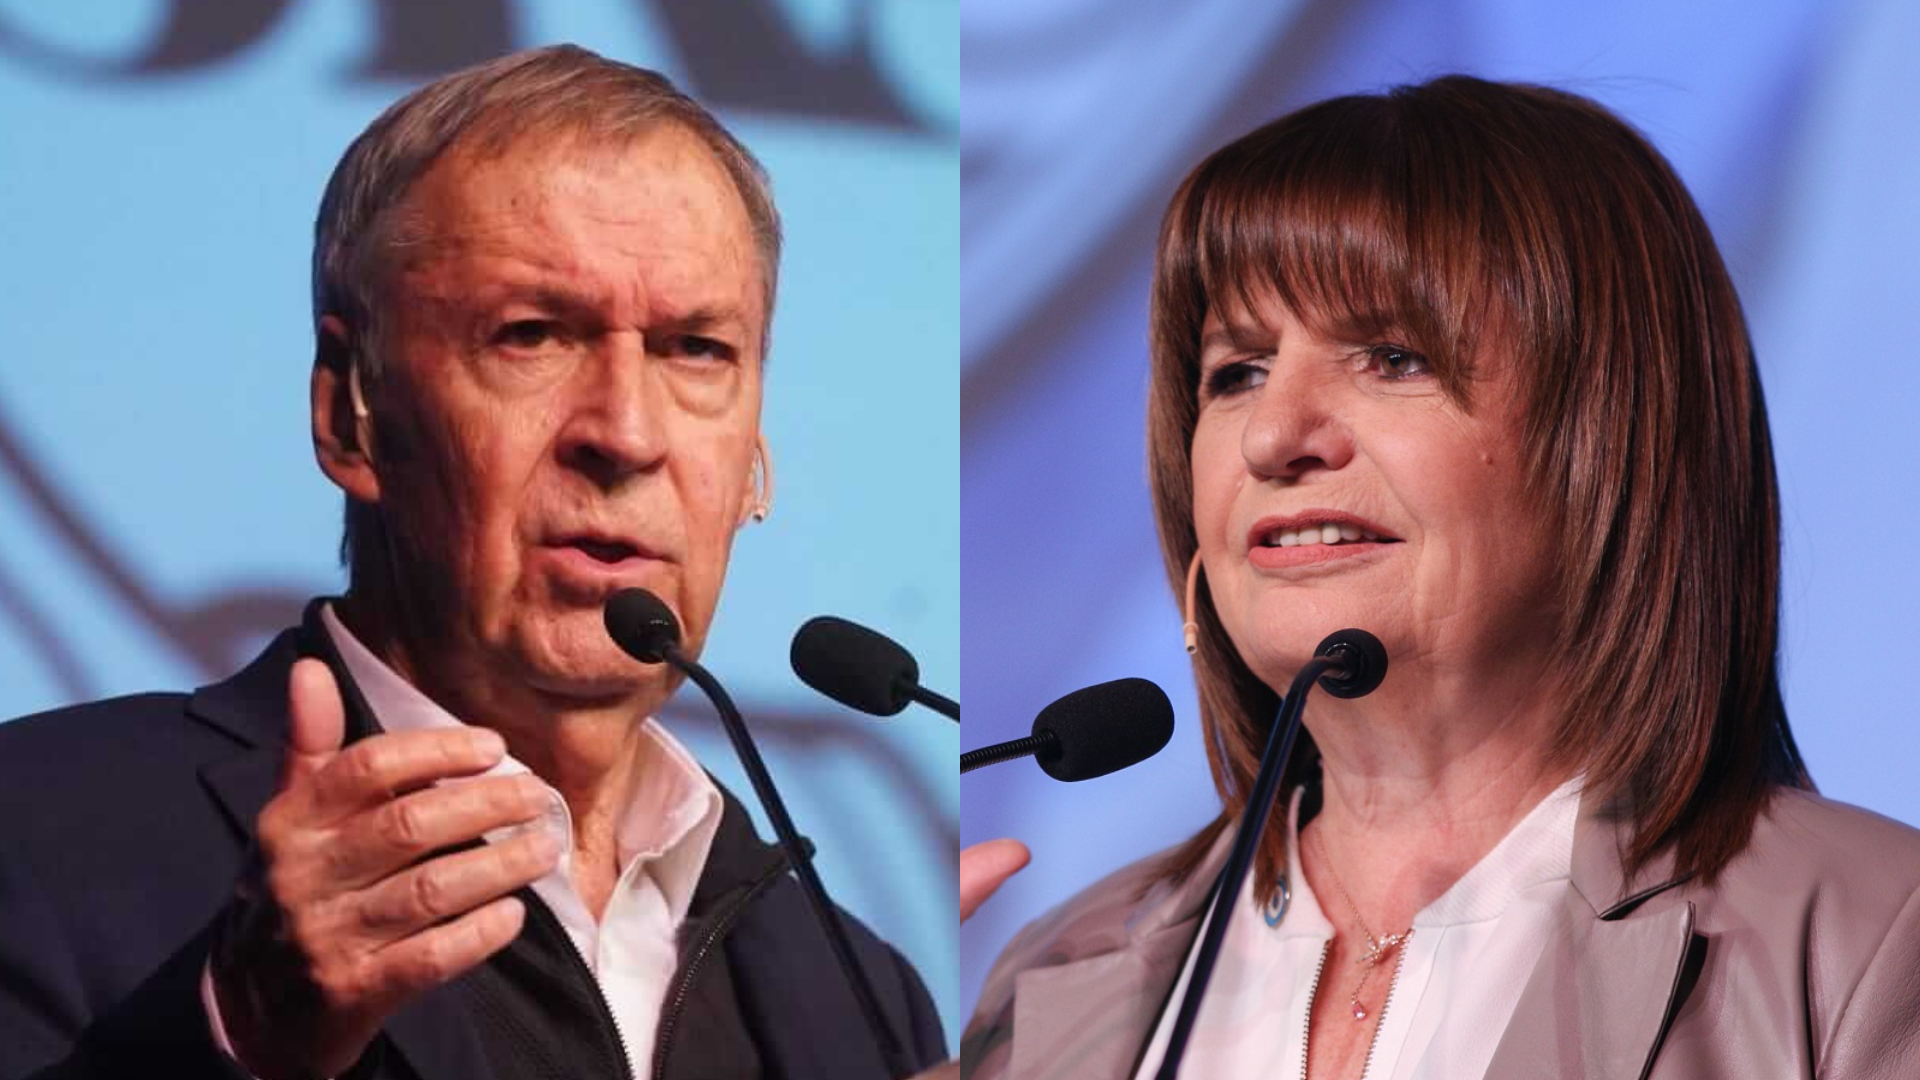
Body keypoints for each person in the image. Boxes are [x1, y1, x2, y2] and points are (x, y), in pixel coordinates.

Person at [0, 45, 943, 1080]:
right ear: (349, 414)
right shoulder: (40, 832)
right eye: (531, 335)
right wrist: (238, 1042)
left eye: (695, 351)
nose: (627, 434)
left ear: (752, 456)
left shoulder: (860, 995)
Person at [959, 76, 1920, 1079]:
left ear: (1613, 439)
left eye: (1391, 357)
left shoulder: (1871, 946)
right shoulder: (1056, 980)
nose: (1273, 436)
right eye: (1237, 372)